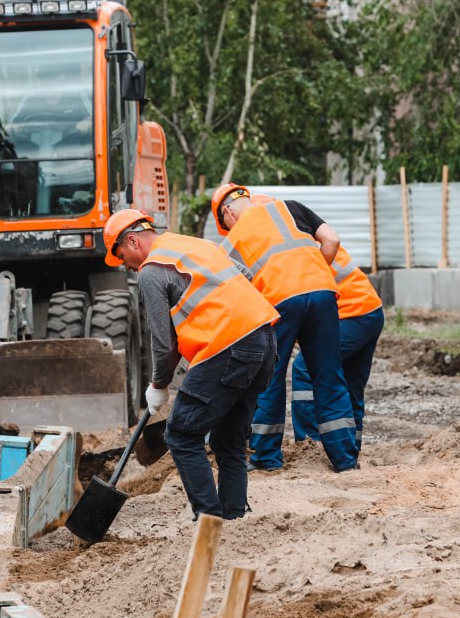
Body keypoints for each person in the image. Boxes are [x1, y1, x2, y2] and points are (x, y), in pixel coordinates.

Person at [103, 208, 278, 520]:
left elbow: (162, 341)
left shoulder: (151, 270)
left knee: (182, 435)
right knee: (229, 440)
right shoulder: (197, 245)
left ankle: (208, 518)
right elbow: (246, 277)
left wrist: (158, 386)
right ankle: (234, 515)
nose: (126, 266)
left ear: (131, 242)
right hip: (263, 340)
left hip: (228, 347)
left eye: (120, 257)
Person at [211, 184, 358, 473]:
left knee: (269, 379)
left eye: (225, 225)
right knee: (330, 376)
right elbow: (332, 240)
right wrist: (313, 277)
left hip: (278, 304)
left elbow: (234, 295)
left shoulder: (229, 245)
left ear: (227, 212)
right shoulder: (290, 207)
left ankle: (266, 458)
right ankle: (345, 460)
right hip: (323, 292)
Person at [289, 236, 384, 455]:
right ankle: (351, 450)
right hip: (370, 311)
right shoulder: (305, 238)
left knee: (305, 368)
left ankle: (309, 447)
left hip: (349, 313)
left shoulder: (288, 249)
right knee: (351, 384)